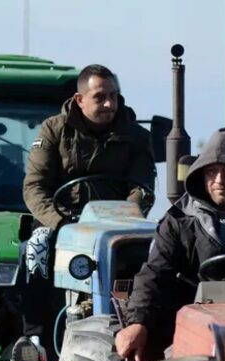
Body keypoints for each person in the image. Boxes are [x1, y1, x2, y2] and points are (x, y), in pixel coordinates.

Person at [115, 127, 225, 361]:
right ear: (201, 175)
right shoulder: (180, 219)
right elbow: (155, 274)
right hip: (195, 328)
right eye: (212, 172)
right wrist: (138, 321)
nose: (219, 180)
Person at [20, 64, 157, 340]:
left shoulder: (137, 137)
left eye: (113, 96)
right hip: (62, 220)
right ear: (80, 100)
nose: (109, 104)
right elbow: (34, 187)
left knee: (155, 257)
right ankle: (35, 339)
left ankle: (137, 328)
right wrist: (61, 224)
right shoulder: (54, 130)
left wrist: (124, 218)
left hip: (116, 224)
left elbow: (141, 189)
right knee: (37, 248)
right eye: (100, 97)